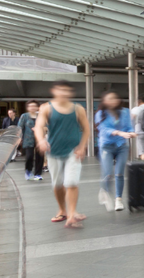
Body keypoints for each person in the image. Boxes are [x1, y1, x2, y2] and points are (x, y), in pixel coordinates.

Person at [34, 80, 91, 228]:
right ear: (54, 91)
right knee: (58, 184)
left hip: (73, 151)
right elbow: (39, 126)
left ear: (71, 93)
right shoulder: (47, 108)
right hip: (54, 152)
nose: (64, 93)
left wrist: (82, 146)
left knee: (71, 182)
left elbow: (86, 129)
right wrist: (41, 141)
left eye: (67, 91)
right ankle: (62, 210)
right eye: (60, 90)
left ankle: (71, 215)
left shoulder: (78, 109)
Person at [95, 91, 136, 211]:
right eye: (109, 99)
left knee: (119, 173)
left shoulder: (125, 112)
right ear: (104, 101)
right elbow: (103, 129)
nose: (112, 101)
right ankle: (105, 191)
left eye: (114, 98)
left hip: (122, 145)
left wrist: (131, 132)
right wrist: (119, 132)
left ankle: (118, 199)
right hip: (106, 146)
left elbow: (129, 126)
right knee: (108, 173)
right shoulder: (100, 113)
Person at [18, 101, 43, 181]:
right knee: (29, 156)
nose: (32, 107)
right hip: (28, 139)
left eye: (34, 106)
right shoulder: (24, 116)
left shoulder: (41, 116)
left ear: (37, 107)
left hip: (39, 139)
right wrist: (19, 138)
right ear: (28, 108)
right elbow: (19, 128)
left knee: (40, 156)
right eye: (30, 106)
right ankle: (28, 171)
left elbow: (46, 126)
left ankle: (38, 174)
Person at [130, 94, 144, 160]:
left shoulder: (136, 109)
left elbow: (131, 120)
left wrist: (132, 131)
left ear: (139, 101)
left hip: (140, 132)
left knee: (143, 152)